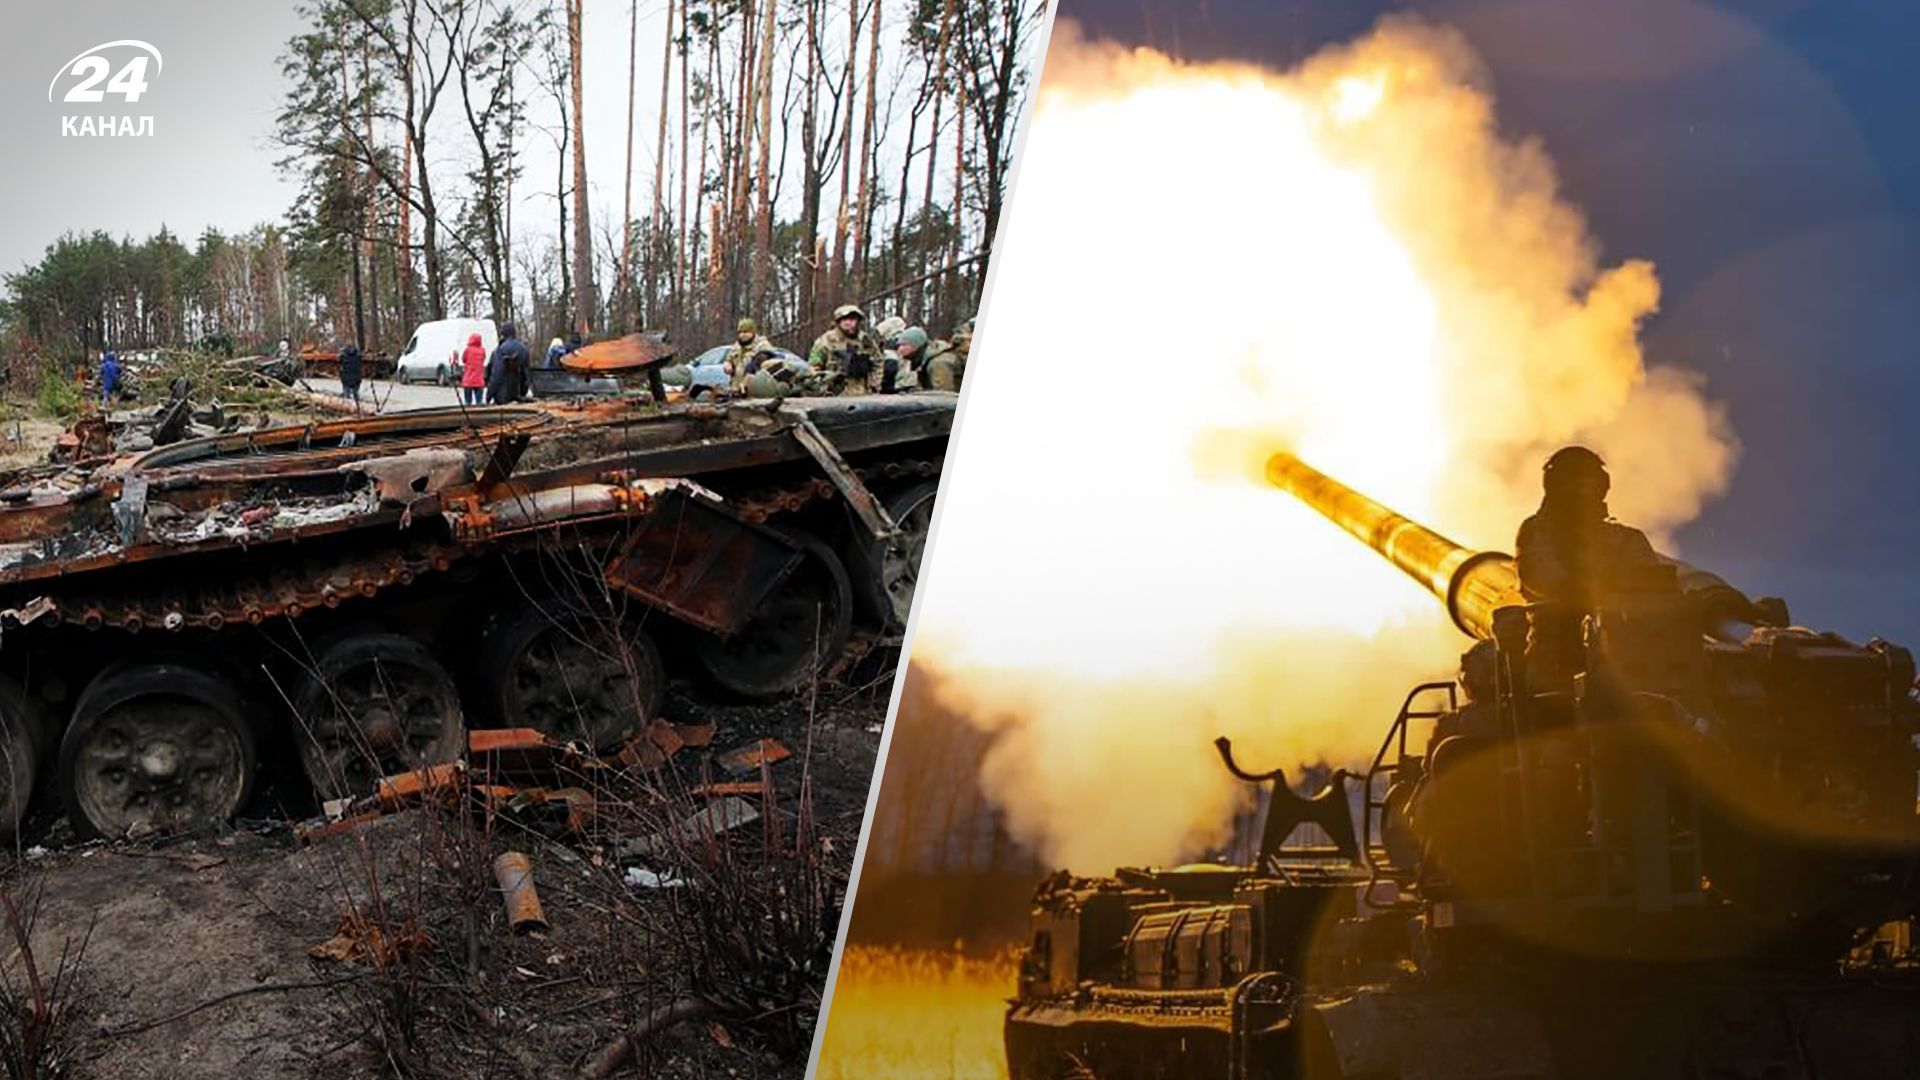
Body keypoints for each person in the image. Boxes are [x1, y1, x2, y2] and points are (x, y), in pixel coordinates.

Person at [1514, 446, 1660, 680]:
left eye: (1589, 480)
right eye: (1574, 479)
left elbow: (1653, 587)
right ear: (1554, 485)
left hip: (1627, 656)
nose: (1583, 487)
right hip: (1556, 661)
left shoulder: (1626, 538)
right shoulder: (1537, 532)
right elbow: (1543, 579)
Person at [808, 304, 883, 395]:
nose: (848, 323)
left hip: (863, 392)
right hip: (834, 395)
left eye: (852, 319)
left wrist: (875, 384)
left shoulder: (865, 341)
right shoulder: (826, 341)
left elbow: (878, 362)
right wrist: (822, 388)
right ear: (838, 322)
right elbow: (814, 368)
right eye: (845, 319)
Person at [725, 318, 775, 392]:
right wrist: (728, 364)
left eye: (746, 332)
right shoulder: (737, 346)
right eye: (740, 332)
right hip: (736, 389)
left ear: (753, 332)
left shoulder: (762, 345)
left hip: (756, 391)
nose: (742, 335)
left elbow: (768, 362)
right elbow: (729, 359)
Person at [487, 322, 532, 404]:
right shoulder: (524, 350)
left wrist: (489, 395)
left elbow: (496, 374)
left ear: (503, 334)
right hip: (518, 395)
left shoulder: (500, 350)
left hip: (502, 396)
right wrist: (523, 393)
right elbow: (526, 376)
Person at [459, 331, 487, 406]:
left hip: (468, 380)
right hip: (479, 380)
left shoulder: (467, 350)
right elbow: (483, 359)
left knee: (468, 403)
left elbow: (463, 360)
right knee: (479, 402)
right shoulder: (482, 350)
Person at [338, 341, 364, 411]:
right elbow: (360, 365)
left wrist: (341, 376)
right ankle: (358, 409)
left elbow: (340, 364)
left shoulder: (343, 355)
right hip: (356, 379)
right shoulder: (358, 355)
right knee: (356, 395)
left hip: (346, 379)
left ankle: (347, 410)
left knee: (347, 397)